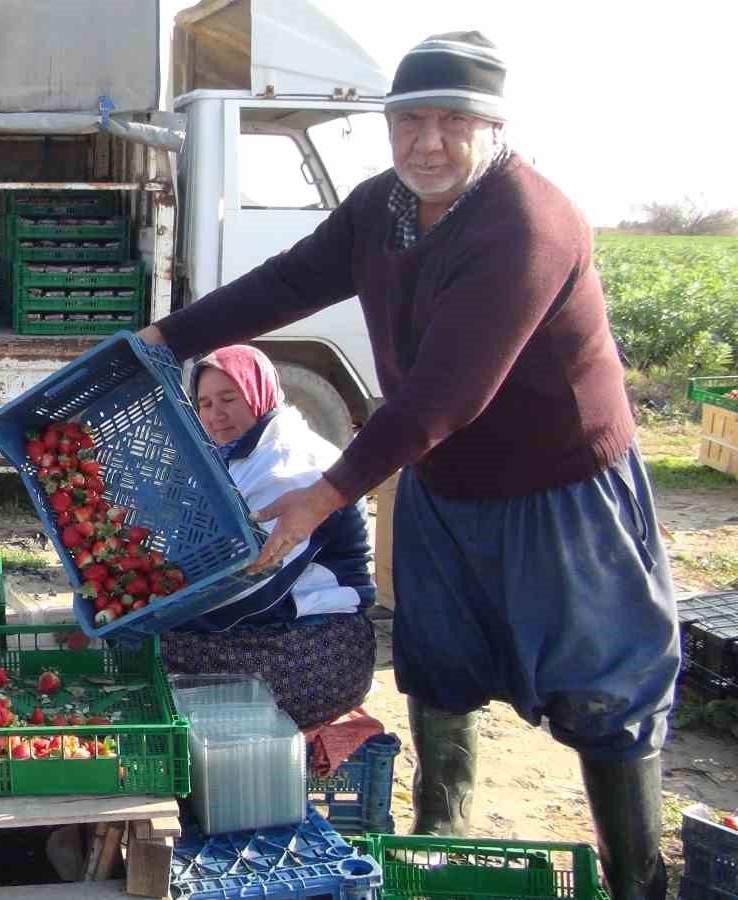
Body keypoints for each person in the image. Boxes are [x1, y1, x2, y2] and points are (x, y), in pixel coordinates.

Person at [138, 32, 677, 900]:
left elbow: (441, 399)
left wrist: (322, 497)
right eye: (409, 120)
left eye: (452, 122)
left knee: (603, 692)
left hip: (561, 492)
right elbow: (286, 282)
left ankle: (638, 880)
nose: (427, 141)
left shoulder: (524, 224)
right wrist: (164, 340)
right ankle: (438, 847)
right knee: (440, 664)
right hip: (446, 483)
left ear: (494, 128)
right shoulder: (382, 208)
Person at [161, 345, 376, 729]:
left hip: (318, 651)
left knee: (151, 653)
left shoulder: (290, 464)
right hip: (275, 627)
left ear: (259, 392)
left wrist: (159, 613)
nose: (216, 415)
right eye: (205, 404)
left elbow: (248, 588)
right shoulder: (245, 453)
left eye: (230, 398)